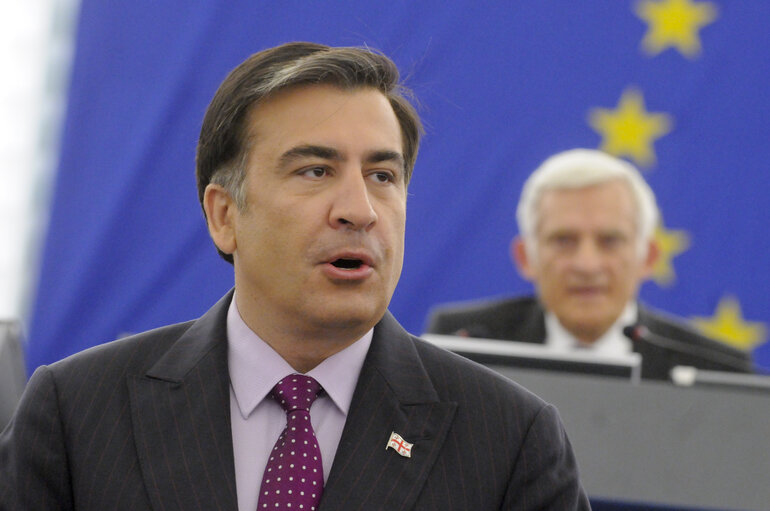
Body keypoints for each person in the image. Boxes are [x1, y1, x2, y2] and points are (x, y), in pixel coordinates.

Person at [0, 43, 590, 510]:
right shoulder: (76, 414)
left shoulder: (510, 440)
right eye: (315, 170)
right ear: (224, 215)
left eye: (383, 175)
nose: (359, 209)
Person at [425, 148, 753, 381]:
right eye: (563, 240)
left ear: (648, 257)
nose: (586, 264)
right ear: (526, 258)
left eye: (610, 241)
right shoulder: (463, 346)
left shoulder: (716, 370)